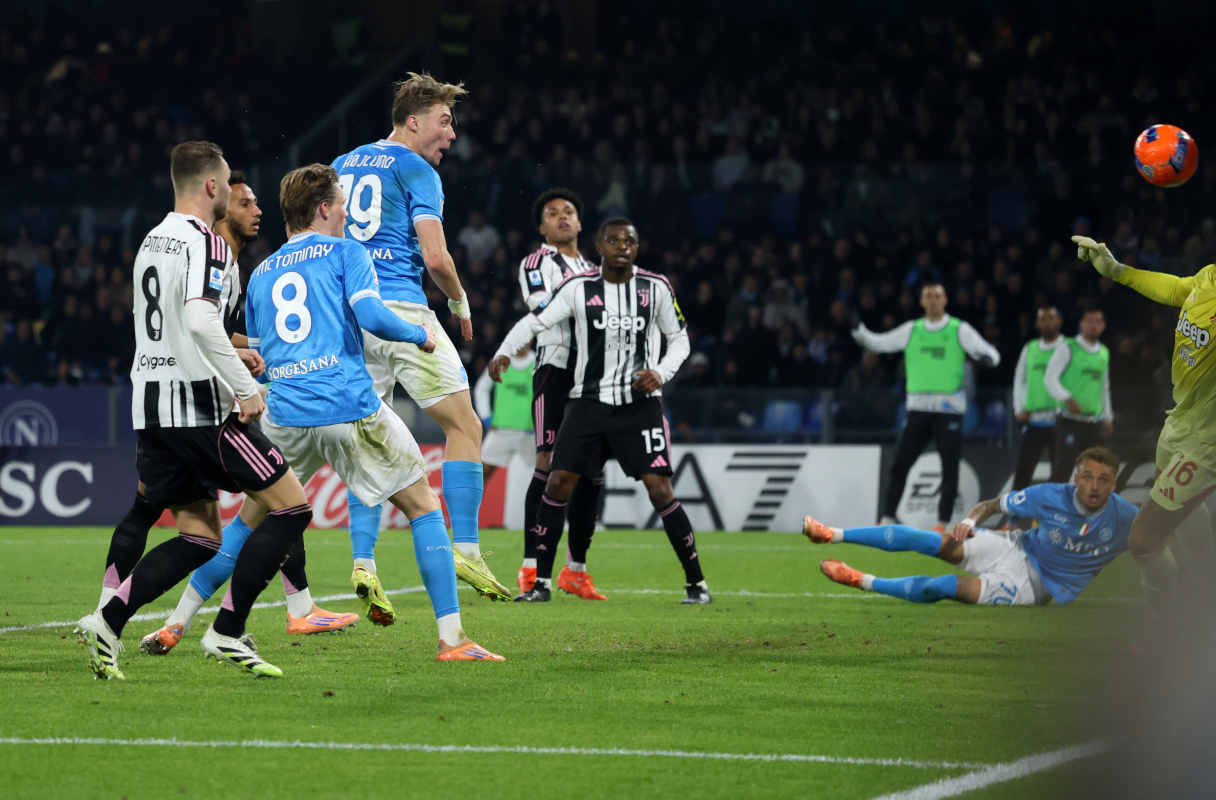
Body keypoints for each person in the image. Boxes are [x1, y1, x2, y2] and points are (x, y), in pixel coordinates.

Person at [75, 142, 311, 680]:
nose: (231, 193)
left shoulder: (153, 238)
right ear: (211, 187)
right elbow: (201, 321)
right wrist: (244, 387)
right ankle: (227, 632)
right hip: (198, 409)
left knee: (200, 535)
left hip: (151, 406)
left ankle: (107, 622)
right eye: (228, 185)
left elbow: (170, 324)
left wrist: (233, 353)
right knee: (291, 508)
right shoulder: (205, 241)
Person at [249, 164, 501, 660]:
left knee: (249, 520)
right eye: (339, 203)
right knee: (424, 506)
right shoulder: (348, 250)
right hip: (347, 402)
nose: (347, 211)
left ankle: (181, 621)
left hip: (284, 410)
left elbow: (258, 359)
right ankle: (453, 635)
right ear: (324, 208)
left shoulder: (261, 270)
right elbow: (371, 315)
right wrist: (419, 334)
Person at [139, 171, 358, 655]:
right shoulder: (216, 258)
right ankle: (252, 620)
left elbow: (228, 334)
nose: (256, 210)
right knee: (268, 512)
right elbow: (200, 328)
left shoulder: (250, 269)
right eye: (245, 203)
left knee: (261, 515)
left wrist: (244, 355)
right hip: (235, 405)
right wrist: (243, 380)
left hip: (244, 400)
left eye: (259, 202)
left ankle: (182, 623)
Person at [332, 72, 511, 614]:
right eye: (445, 121)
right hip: (402, 308)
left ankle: (364, 563)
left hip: (349, 312)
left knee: (370, 435)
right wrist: (459, 301)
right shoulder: (416, 169)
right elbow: (435, 258)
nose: (452, 134)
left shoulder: (340, 166)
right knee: (464, 425)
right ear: (414, 122)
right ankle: (468, 550)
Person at [489, 218, 709, 604]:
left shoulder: (655, 288)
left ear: (636, 249)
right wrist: (505, 350)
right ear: (600, 247)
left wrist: (661, 372)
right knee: (557, 483)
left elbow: (679, 340)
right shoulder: (578, 288)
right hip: (587, 403)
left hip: (638, 406)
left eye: (629, 240)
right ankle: (540, 583)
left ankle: (697, 585)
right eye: (613, 240)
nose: (622, 245)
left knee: (660, 490)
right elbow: (537, 320)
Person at [1072, 236, 1216, 615]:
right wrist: (1117, 271)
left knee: (1143, 540)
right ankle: (1205, 608)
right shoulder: (1207, 279)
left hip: (1207, 440)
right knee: (1182, 525)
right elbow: (1172, 287)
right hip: (1178, 424)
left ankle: (1167, 624)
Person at [807, 447, 1134, 606]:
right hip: (1016, 547)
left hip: (1032, 587)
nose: (1094, 486)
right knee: (933, 542)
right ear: (1076, 478)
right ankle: (832, 535)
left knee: (942, 587)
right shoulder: (1049, 495)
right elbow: (991, 506)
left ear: (1115, 483)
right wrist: (967, 522)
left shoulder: (1126, 517)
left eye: (1103, 480)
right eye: (1088, 477)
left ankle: (863, 581)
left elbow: (1160, 540)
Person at [852, 282, 1001, 531]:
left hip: (949, 410)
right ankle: (887, 517)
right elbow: (878, 343)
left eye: (938, 295)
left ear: (945, 300)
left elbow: (989, 352)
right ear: (921, 302)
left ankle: (942, 522)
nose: (933, 300)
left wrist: (989, 359)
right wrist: (857, 330)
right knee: (901, 464)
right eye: (928, 296)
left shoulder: (958, 329)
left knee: (949, 467)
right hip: (919, 409)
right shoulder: (912, 329)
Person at [516, 187, 604, 600]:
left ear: (580, 223)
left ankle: (576, 570)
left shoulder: (593, 267)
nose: (562, 217)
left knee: (592, 468)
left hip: (592, 374)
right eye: (553, 213)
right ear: (542, 227)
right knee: (548, 462)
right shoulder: (537, 262)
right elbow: (542, 307)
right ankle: (531, 567)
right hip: (554, 366)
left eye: (569, 211)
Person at [1044, 309, 1114, 481]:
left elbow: (1104, 387)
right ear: (1081, 324)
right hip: (1070, 422)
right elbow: (1050, 378)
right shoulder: (1068, 348)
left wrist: (1107, 417)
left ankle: (1093, 507)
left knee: (1101, 470)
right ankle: (1051, 507)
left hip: (1094, 424)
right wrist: (1066, 398)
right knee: (1063, 470)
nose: (1094, 325)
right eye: (1090, 321)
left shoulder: (1103, 352)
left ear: (1103, 326)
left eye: (1098, 321)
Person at [1011, 307, 1065, 490]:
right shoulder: (1030, 348)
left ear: (1059, 322)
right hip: (1035, 420)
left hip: (1061, 420)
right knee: (1023, 470)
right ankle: (1013, 517)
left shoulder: (1068, 347)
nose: (1048, 322)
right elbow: (1020, 379)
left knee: (1060, 473)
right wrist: (1019, 409)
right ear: (1037, 324)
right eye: (1043, 319)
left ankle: (1058, 516)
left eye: (1052, 318)